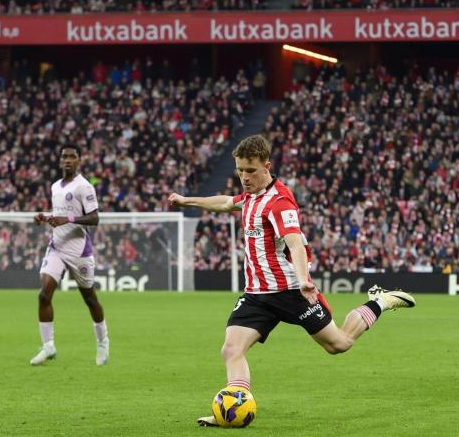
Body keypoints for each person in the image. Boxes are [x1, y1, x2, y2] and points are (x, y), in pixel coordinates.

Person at [167, 135, 416, 426]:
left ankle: (380, 301)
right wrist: (187, 200)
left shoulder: (280, 202)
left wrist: (303, 280)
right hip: (257, 294)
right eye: (240, 170)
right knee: (231, 349)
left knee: (339, 344)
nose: (244, 177)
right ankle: (232, 411)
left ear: (267, 166)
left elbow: (295, 244)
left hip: (291, 291)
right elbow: (225, 203)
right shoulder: (250, 196)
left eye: (250, 170)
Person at [30, 143, 109, 366]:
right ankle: (48, 347)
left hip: (79, 250)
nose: (67, 160)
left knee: (90, 299)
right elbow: (61, 214)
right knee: (43, 295)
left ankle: (103, 341)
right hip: (57, 246)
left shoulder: (84, 187)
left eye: (72, 157)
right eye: (64, 156)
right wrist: (45, 217)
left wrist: (69, 220)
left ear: (78, 160)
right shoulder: (55, 186)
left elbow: (94, 218)